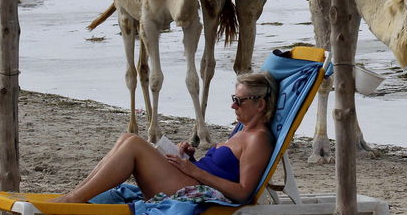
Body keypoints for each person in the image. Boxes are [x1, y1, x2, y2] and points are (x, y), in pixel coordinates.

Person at [52, 73, 278, 204]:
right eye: (233, 98)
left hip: (192, 189)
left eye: (240, 101)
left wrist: (193, 171)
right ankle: (75, 195)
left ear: (260, 104)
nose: (232, 105)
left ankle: (74, 200)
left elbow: (243, 192)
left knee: (133, 143)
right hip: (189, 179)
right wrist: (191, 158)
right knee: (126, 137)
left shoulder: (257, 140)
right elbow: (221, 168)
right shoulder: (241, 130)